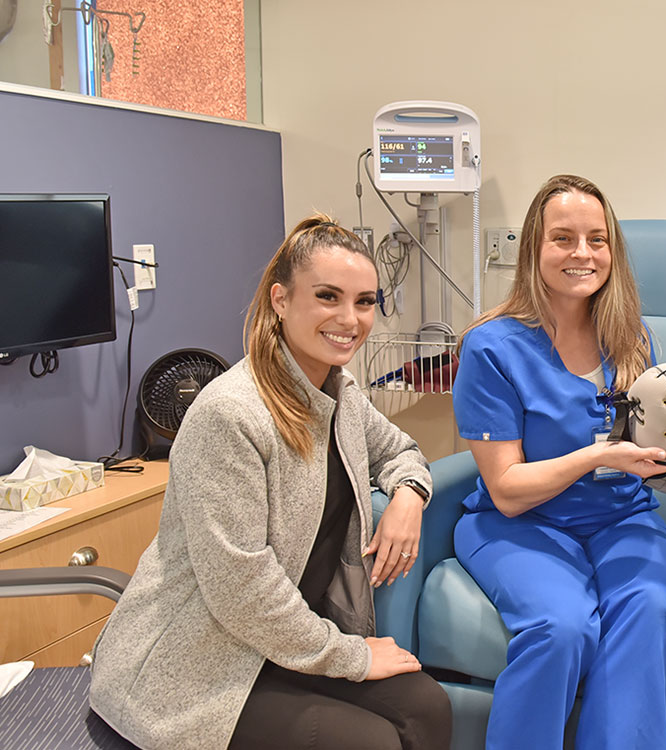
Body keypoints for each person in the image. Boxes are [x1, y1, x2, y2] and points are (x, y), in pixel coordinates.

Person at [89, 216, 451, 750]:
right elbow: (242, 592)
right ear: (280, 300)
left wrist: (408, 496)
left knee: (427, 707)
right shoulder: (230, 416)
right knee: (367, 742)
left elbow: (401, 452)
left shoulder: (339, 390)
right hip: (201, 664)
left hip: (286, 639)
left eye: (365, 301)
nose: (349, 319)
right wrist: (351, 656)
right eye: (328, 296)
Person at [452, 174, 666, 750]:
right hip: (519, 521)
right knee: (561, 627)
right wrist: (597, 455)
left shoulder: (632, 338)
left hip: (619, 516)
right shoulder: (491, 346)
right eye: (563, 238)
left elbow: (641, 442)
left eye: (597, 240)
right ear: (535, 249)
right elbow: (505, 488)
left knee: (649, 607)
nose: (582, 253)